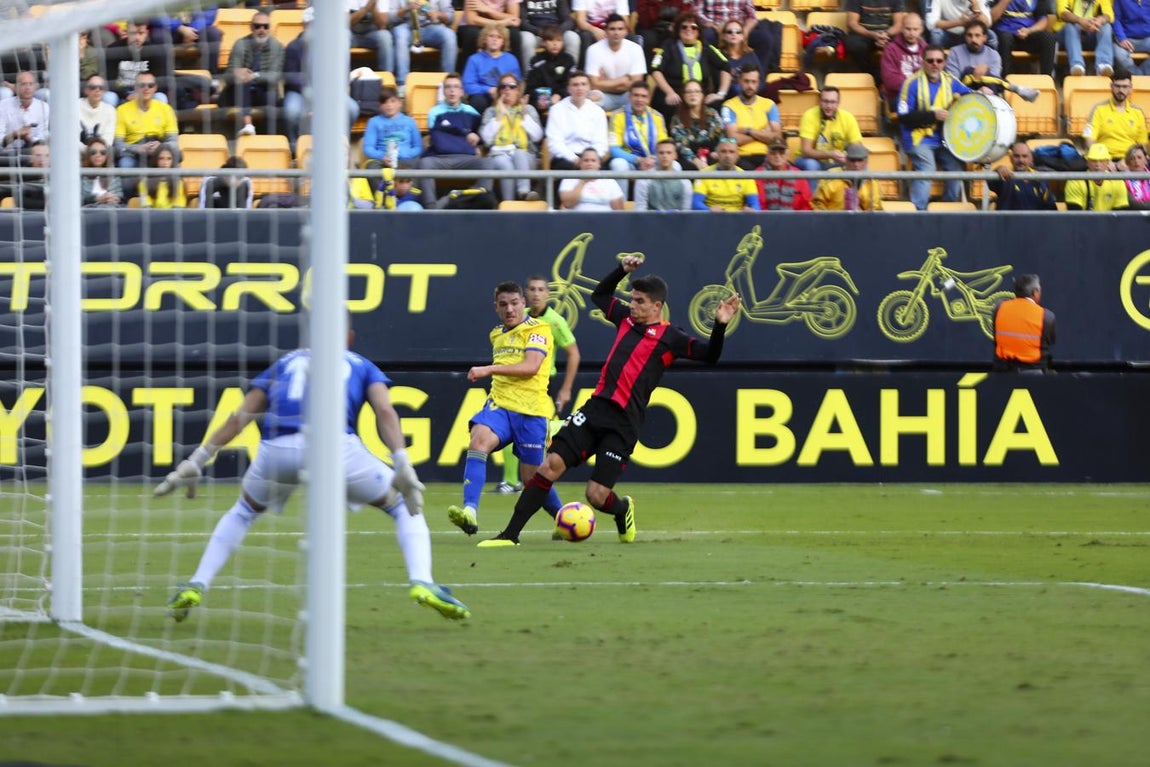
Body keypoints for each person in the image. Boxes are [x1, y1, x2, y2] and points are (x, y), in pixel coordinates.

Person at [157, 324, 470, 623]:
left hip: (277, 450)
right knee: (403, 506)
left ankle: (197, 583)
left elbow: (240, 416)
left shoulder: (285, 362)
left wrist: (197, 460)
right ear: (349, 336)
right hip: (334, 447)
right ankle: (422, 581)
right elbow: (385, 411)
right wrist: (402, 463)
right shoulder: (359, 363)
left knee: (243, 512)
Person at [478, 254, 741, 547]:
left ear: (657, 306)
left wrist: (719, 325)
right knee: (549, 466)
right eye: (632, 299)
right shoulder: (625, 319)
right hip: (595, 409)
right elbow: (600, 296)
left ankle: (623, 509)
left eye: (640, 301)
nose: (633, 305)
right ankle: (510, 534)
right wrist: (621, 270)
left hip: (624, 422)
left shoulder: (671, 337)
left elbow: (710, 355)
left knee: (596, 495)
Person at [447, 281, 565, 537]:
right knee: (478, 442)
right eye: (503, 305)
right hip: (499, 406)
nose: (509, 309)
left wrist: (487, 369)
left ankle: (564, 519)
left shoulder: (539, 329)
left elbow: (531, 367)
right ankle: (469, 512)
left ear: (523, 303)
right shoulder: (496, 334)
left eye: (514, 303)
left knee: (532, 480)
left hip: (531, 411)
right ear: (496, 307)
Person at [496, 274, 582, 493]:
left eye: (541, 290)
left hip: (542, 383)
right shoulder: (519, 315)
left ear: (548, 293)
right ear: (525, 294)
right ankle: (510, 481)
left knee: (545, 432)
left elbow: (573, 353)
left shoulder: (555, 321)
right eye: (532, 289)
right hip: (518, 382)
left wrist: (566, 389)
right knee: (511, 428)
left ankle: (570, 429)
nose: (536, 294)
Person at [897, 45, 972, 210]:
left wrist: (984, 90)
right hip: (918, 138)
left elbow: (969, 96)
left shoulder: (950, 81)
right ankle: (918, 212)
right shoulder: (911, 83)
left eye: (939, 61)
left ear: (944, 63)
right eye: (930, 61)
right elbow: (903, 117)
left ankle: (948, 210)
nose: (935, 64)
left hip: (944, 140)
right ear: (923, 62)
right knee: (927, 167)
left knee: (956, 168)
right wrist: (933, 116)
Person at [283, 7, 360, 153]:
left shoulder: (331, 46)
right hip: (300, 92)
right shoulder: (293, 46)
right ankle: (295, 147)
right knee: (291, 111)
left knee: (351, 108)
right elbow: (291, 77)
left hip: (327, 91)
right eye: (310, 24)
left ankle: (341, 144)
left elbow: (341, 73)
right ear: (304, 25)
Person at [417, 72, 493, 206]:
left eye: (456, 87)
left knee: (488, 164)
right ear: (444, 91)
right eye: (448, 87)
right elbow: (439, 136)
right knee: (424, 163)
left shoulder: (471, 111)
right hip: (441, 158)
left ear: (462, 92)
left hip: (465, 158)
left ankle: (464, 198)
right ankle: (431, 207)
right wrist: (465, 134)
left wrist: (477, 140)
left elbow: (481, 135)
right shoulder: (435, 112)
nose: (452, 90)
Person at [650, 11, 731, 121]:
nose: (689, 30)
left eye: (693, 27)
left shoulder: (705, 46)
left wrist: (721, 93)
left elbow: (725, 66)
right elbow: (655, 69)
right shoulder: (668, 45)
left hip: (699, 95)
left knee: (716, 104)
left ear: (698, 31)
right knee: (666, 104)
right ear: (678, 30)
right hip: (676, 94)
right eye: (684, 27)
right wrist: (669, 92)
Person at [479, 73, 544, 202]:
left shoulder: (528, 109)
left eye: (512, 86)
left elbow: (538, 137)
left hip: (526, 155)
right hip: (499, 154)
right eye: (503, 86)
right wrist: (499, 117)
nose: (507, 89)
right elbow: (486, 139)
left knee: (519, 154)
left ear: (518, 90)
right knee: (505, 165)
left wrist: (524, 116)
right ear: (499, 91)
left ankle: (524, 192)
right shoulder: (491, 111)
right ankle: (508, 203)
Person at [221, 10, 285, 134]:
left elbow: (274, 76)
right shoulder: (240, 44)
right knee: (243, 82)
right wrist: (237, 73)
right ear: (251, 27)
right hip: (239, 91)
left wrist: (254, 76)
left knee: (273, 98)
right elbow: (228, 75)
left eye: (265, 26)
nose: (262, 30)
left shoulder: (277, 47)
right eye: (257, 26)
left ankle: (271, 136)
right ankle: (248, 124)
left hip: (262, 90)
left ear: (269, 28)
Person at [607, 80, 668, 196]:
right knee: (618, 164)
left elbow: (664, 147)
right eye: (636, 95)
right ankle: (622, 205)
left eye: (643, 96)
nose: (639, 99)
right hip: (630, 162)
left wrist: (652, 160)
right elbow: (614, 149)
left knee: (675, 166)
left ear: (648, 99)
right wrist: (638, 160)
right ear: (629, 97)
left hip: (653, 162)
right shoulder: (617, 116)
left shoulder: (657, 117)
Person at [544, 70, 609, 171]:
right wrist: (575, 160)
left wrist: (590, 160)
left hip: (591, 158)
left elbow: (601, 142)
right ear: (568, 88)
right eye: (575, 85)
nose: (580, 88)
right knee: (566, 168)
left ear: (589, 87)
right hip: (565, 158)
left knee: (607, 171)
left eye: (583, 84)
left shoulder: (598, 111)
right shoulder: (556, 110)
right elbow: (555, 143)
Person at [113, 71, 179, 169]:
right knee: (125, 164)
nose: (146, 88)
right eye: (142, 85)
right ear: (135, 87)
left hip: (159, 151)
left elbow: (174, 142)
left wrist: (161, 147)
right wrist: (138, 148)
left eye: (150, 85)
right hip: (133, 152)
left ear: (155, 88)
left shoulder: (166, 109)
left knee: (174, 159)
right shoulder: (122, 110)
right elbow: (118, 145)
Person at [721, 66, 781, 170]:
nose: (750, 86)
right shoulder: (728, 106)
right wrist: (763, 133)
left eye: (754, 82)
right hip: (741, 157)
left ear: (758, 83)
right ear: (739, 81)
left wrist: (748, 131)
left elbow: (777, 138)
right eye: (746, 81)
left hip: (767, 156)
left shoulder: (769, 104)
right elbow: (733, 139)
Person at [585, 13, 648, 112]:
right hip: (603, 95)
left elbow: (636, 84)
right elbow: (593, 84)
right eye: (612, 29)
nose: (616, 33)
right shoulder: (593, 50)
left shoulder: (636, 49)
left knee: (638, 96)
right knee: (591, 99)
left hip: (628, 95)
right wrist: (622, 80)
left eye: (620, 29)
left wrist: (602, 83)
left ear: (626, 31)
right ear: (606, 31)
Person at [392, 0, 458, 95]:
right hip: (407, 27)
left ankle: (449, 83)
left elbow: (450, 17)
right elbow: (390, 18)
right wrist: (406, 9)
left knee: (449, 35)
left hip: (432, 27)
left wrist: (438, 14)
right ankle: (402, 83)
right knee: (400, 35)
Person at [1082, 69, 1148, 164]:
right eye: (1117, 86)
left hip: (1130, 162)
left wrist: (1128, 162)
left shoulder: (1138, 112)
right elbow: (1089, 138)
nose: (1121, 90)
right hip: (1103, 160)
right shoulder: (1098, 108)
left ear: (1130, 88)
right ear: (1111, 86)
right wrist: (1103, 161)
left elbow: (1142, 144)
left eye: (1125, 87)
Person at [992, 273, 1055, 372]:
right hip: (1033, 372)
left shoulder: (999, 308)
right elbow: (1050, 341)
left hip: (1002, 372)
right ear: (1035, 292)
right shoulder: (1047, 316)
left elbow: (995, 339)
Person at [697, 0, 778, 76]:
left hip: (740, 29)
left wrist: (744, 32)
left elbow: (752, 17)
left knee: (765, 39)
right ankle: (713, 78)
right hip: (716, 29)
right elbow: (698, 14)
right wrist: (714, 26)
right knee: (706, 36)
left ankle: (757, 78)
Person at [796, 86, 864, 172]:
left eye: (832, 102)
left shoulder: (848, 118)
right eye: (825, 101)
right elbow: (806, 151)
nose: (828, 106)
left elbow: (858, 149)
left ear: (838, 103)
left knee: (860, 165)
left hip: (837, 160)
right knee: (811, 164)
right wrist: (830, 155)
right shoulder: (809, 115)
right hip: (810, 159)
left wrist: (848, 157)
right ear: (819, 101)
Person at [463, 24, 523, 115]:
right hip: (483, 96)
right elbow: (468, 85)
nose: (495, 39)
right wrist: (488, 89)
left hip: (505, 93)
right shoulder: (474, 59)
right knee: (477, 101)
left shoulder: (511, 59)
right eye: (491, 36)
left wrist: (503, 91)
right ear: (484, 39)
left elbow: (517, 84)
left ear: (503, 42)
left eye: (499, 37)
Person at [990, 0, 1057, 76]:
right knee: (1005, 38)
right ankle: (1004, 78)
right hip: (1004, 33)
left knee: (1049, 38)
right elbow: (991, 18)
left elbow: (1043, 21)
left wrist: (1029, 30)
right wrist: (1005, 2)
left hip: (1028, 33)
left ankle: (1047, 78)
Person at [669, 79, 725, 171]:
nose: (693, 94)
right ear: (683, 96)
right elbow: (681, 145)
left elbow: (721, 136)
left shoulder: (712, 113)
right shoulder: (677, 119)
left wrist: (716, 152)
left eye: (696, 91)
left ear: (702, 95)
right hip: (689, 160)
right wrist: (695, 160)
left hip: (712, 155)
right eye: (689, 92)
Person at [691, 137, 761, 210]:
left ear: (737, 155)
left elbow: (755, 205)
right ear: (717, 154)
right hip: (713, 215)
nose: (727, 155)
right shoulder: (704, 174)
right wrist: (709, 210)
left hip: (736, 216)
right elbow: (695, 203)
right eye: (723, 151)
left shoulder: (745, 176)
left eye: (731, 152)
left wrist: (751, 210)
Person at [362, 87, 423, 170]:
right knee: (372, 167)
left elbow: (418, 147)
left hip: (406, 159)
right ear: (380, 106)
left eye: (393, 101)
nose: (389, 105)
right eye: (384, 102)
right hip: (382, 160)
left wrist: (405, 154)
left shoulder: (409, 121)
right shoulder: (373, 122)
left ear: (400, 103)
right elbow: (368, 148)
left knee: (416, 163)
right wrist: (382, 156)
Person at [811, 142, 885, 210]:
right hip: (832, 219)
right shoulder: (830, 176)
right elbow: (817, 204)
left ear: (866, 162)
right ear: (846, 160)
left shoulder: (872, 182)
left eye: (860, 160)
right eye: (852, 160)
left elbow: (876, 209)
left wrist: (861, 215)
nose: (856, 164)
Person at [525, 24, 578, 118]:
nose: (555, 44)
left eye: (559, 40)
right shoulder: (535, 61)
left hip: (563, 100)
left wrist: (559, 95)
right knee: (529, 108)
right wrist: (540, 97)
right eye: (551, 40)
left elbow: (571, 83)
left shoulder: (568, 60)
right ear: (543, 42)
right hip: (541, 101)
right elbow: (529, 86)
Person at [458, 0, 523, 76]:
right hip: (475, 26)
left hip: (501, 26)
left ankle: (517, 78)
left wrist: (488, 10)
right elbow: (471, 20)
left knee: (514, 34)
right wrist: (502, 23)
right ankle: (466, 76)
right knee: (471, 34)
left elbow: (514, 18)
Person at [988, 141, 1057, 209]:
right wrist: (998, 169)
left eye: (1024, 156)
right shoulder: (1004, 176)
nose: (1021, 160)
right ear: (1011, 158)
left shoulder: (1040, 179)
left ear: (1031, 159)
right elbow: (990, 182)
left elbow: (1050, 208)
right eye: (1017, 156)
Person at [845, 0, 906, 76]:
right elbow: (852, 23)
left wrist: (886, 34)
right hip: (863, 34)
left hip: (887, 34)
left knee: (901, 43)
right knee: (855, 46)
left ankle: (892, 75)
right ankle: (869, 74)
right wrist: (871, 34)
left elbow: (898, 24)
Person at [1056, 0, 1115, 76]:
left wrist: (1099, 20)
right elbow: (1062, 13)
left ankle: (1103, 65)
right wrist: (1080, 21)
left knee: (1106, 27)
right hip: (1067, 36)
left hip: (1090, 33)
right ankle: (1077, 65)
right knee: (1070, 26)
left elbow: (1109, 14)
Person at [1065, 142, 1131, 210]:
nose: (1097, 165)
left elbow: (1120, 212)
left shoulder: (1118, 182)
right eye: (1093, 161)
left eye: (1102, 161)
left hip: (1108, 217)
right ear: (1087, 162)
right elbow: (1075, 213)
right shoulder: (1075, 181)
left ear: (1108, 163)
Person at [880, 12, 926, 110]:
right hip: (898, 95)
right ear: (901, 28)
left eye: (915, 29)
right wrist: (916, 87)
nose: (911, 33)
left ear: (921, 30)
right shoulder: (890, 49)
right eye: (908, 29)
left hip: (923, 94)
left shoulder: (926, 49)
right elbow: (890, 80)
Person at [520, 0, 580, 72]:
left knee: (572, 37)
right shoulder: (524, 1)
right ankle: (530, 74)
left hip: (557, 33)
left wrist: (557, 31)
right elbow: (522, 23)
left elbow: (568, 20)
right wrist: (540, 32)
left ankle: (571, 73)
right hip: (535, 34)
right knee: (526, 39)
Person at [0, 70, 49, 156]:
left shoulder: (43, 107)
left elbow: (41, 137)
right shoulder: (3, 106)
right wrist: (14, 135)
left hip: (33, 154)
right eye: (23, 84)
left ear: (35, 87)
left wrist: (28, 138)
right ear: (15, 87)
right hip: (6, 153)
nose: (27, 88)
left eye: (31, 84)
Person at [634, 139, 693, 210]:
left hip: (676, 217)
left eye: (669, 153)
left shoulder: (685, 182)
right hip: (651, 217)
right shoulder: (644, 180)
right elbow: (640, 210)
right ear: (656, 155)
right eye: (661, 153)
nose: (665, 156)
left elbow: (686, 211)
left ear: (675, 155)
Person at [559, 147, 625, 209]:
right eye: (586, 160)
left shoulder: (610, 181)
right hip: (578, 217)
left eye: (593, 161)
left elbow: (618, 209)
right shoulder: (569, 179)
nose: (589, 163)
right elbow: (568, 204)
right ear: (580, 163)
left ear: (599, 164)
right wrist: (583, 181)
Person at [757, 138, 813, 211]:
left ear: (787, 154)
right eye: (773, 153)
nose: (777, 156)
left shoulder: (798, 175)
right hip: (765, 217)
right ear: (767, 154)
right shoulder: (757, 174)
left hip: (795, 217)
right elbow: (756, 205)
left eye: (781, 152)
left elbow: (806, 205)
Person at [348, 0, 395, 77]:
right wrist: (366, 8)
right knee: (342, 36)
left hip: (371, 35)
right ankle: (341, 77)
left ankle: (386, 77)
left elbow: (382, 25)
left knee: (385, 36)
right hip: (352, 35)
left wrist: (373, 6)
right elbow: (346, 22)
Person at [717, 19, 762, 100]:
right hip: (727, 99)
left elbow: (760, 79)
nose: (734, 34)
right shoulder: (718, 55)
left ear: (743, 36)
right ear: (723, 36)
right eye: (729, 32)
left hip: (749, 97)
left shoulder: (750, 55)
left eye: (738, 32)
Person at [928, 0, 998, 48]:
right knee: (936, 34)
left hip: (970, 35)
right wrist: (959, 22)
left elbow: (987, 24)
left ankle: (990, 64)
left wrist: (976, 8)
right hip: (948, 34)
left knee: (991, 36)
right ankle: (937, 62)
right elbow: (931, 24)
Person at [80, 138, 123, 207]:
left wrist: (116, 198)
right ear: (88, 155)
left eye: (103, 152)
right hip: (88, 210)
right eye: (93, 152)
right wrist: (97, 199)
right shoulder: (81, 173)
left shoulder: (113, 173)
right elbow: (77, 198)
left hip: (110, 208)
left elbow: (119, 194)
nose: (98, 155)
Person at [79, 74, 117, 151]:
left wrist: (95, 151)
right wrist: (87, 150)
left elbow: (108, 140)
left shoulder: (110, 110)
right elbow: (71, 138)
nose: (97, 90)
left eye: (101, 87)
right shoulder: (74, 106)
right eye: (93, 87)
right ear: (86, 90)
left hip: (100, 153)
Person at [1113, 0, 1150, 74]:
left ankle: (1143, 74)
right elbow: (1116, 20)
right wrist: (1122, 38)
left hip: (1147, 38)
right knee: (1119, 55)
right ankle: (1139, 76)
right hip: (1126, 39)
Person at [1123, 142, 1150, 207]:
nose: (1136, 161)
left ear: (1146, 160)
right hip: (1134, 211)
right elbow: (1131, 203)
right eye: (1132, 158)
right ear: (1128, 162)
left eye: (1139, 157)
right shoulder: (1123, 179)